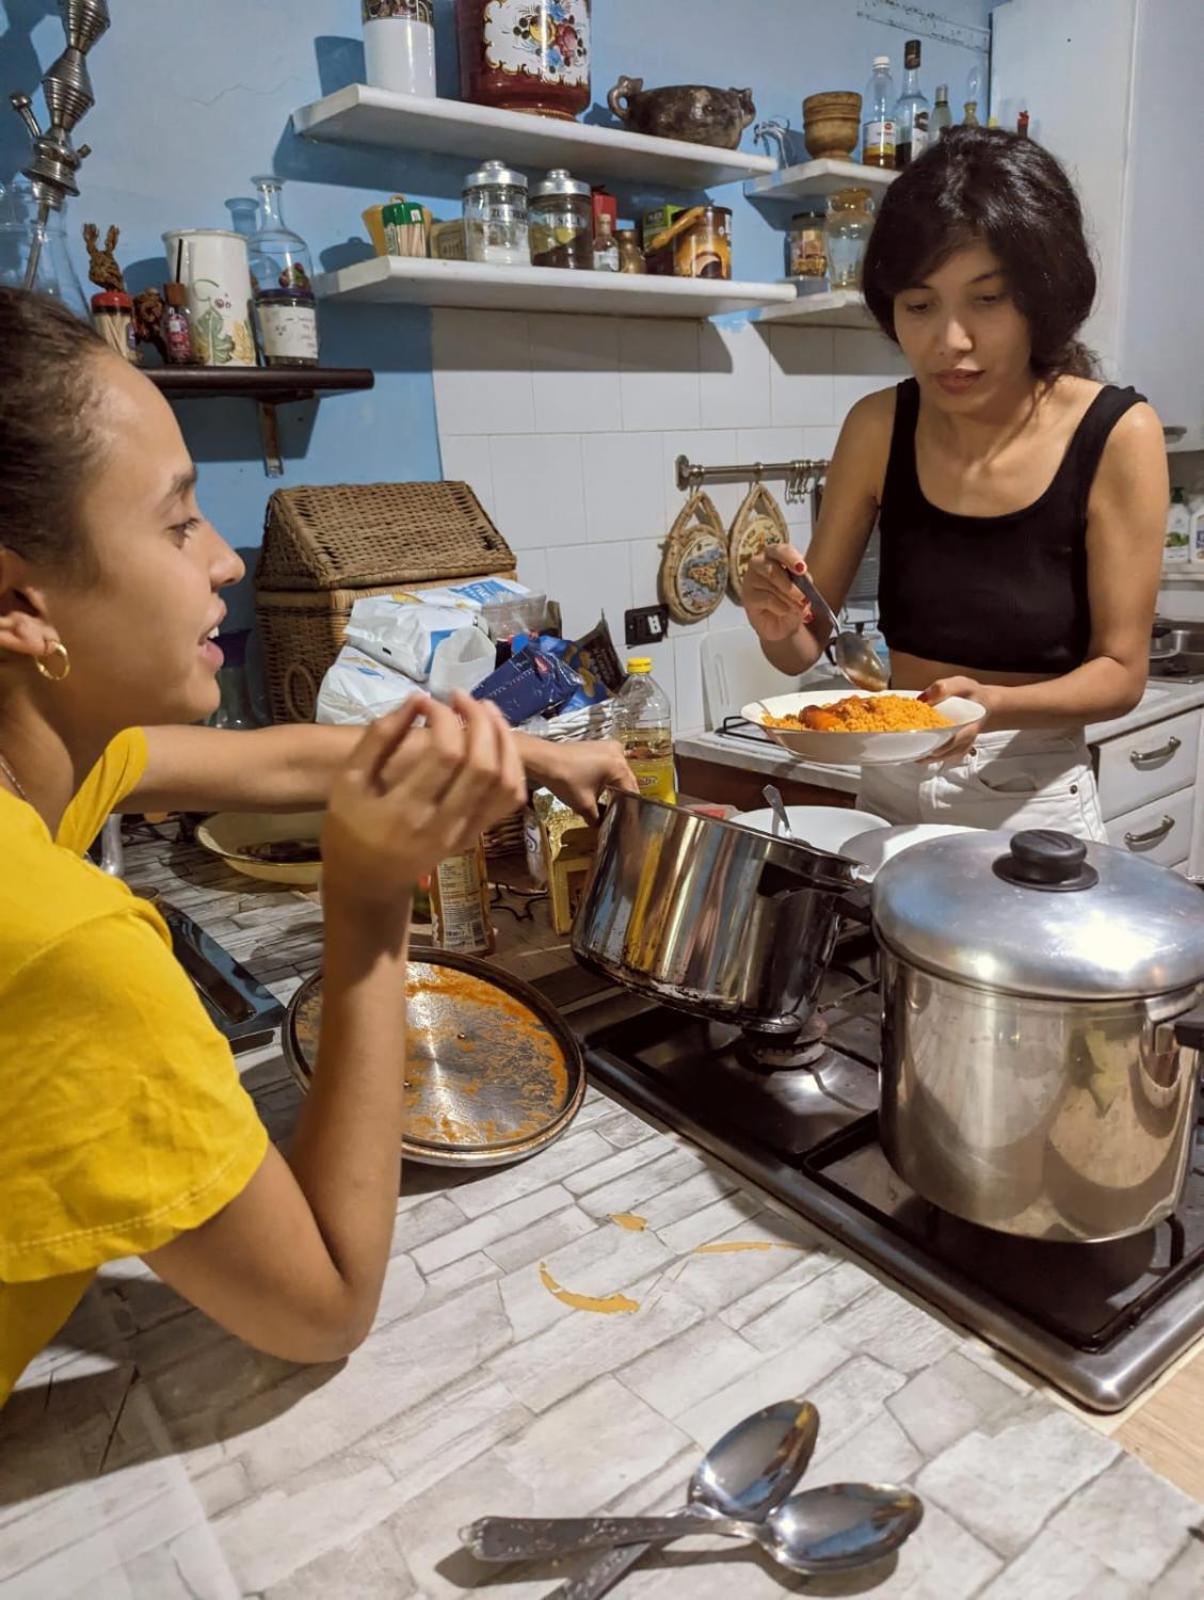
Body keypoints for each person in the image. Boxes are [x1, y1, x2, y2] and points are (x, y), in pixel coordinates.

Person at [0, 287, 632, 1405]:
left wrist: (537, 759)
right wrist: (370, 903)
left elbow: (288, 763)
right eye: (177, 519)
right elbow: (324, 1306)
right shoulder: (68, 944)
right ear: (19, 599)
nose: (224, 563)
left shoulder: (41, 763)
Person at [742, 127, 1168, 839]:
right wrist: (776, 622)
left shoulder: (1118, 433)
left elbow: (1122, 672)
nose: (951, 341)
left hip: (1030, 800)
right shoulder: (878, 426)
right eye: (919, 306)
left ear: (1042, 294)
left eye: (988, 300)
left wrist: (992, 705)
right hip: (889, 785)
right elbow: (809, 643)